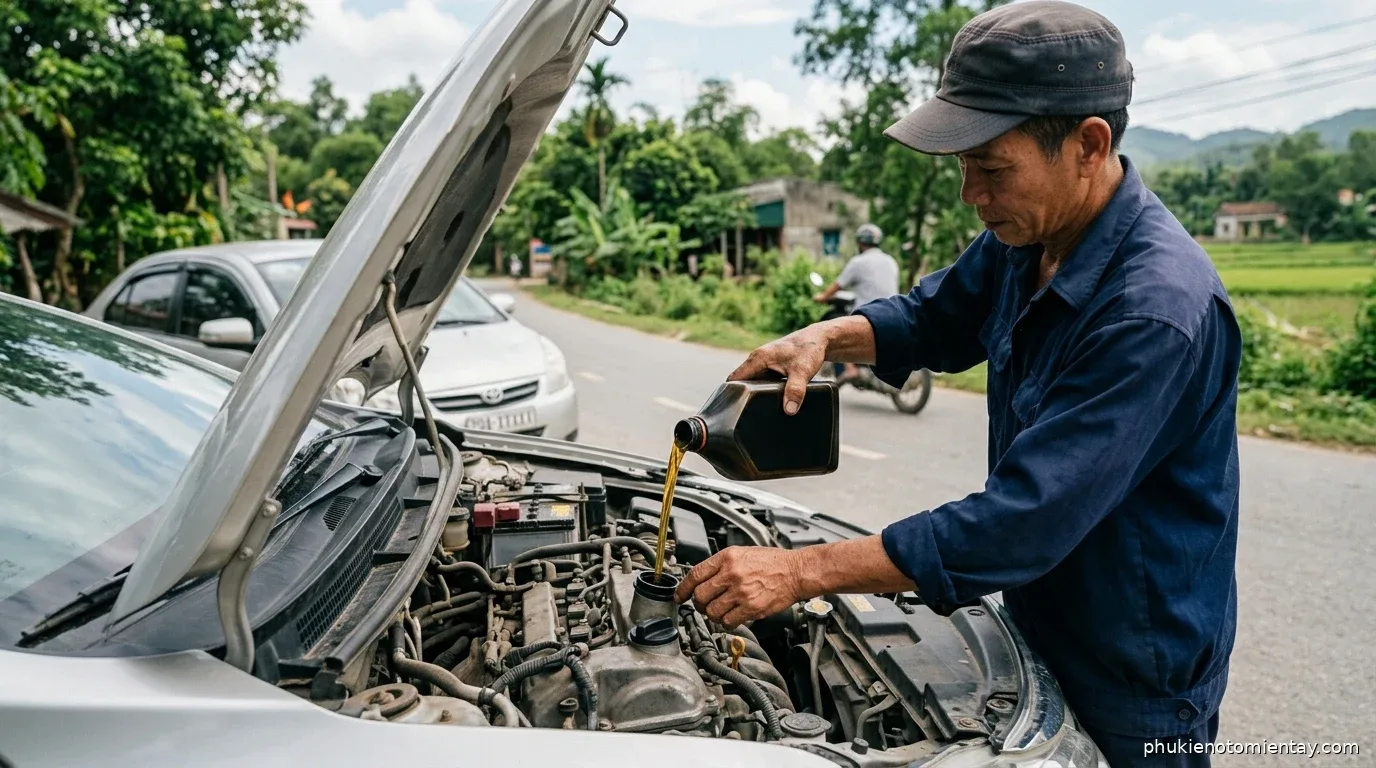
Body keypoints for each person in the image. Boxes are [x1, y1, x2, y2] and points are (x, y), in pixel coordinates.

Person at [674, 3, 1240, 766]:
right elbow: (932, 318)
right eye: (965, 166)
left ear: (1089, 144)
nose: (972, 193)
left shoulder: (1154, 313)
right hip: (1037, 618)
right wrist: (827, 335)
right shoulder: (1029, 234)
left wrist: (802, 570)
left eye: (992, 167)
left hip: (1136, 670)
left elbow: (1022, 522)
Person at [813, 223, 900, 383]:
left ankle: (850, 369)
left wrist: (823, 297)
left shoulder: (858, 262)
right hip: (894, 312)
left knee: (837, 330)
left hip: (869, 315)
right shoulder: (891, 261)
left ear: (860, 242)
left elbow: (838, 285)